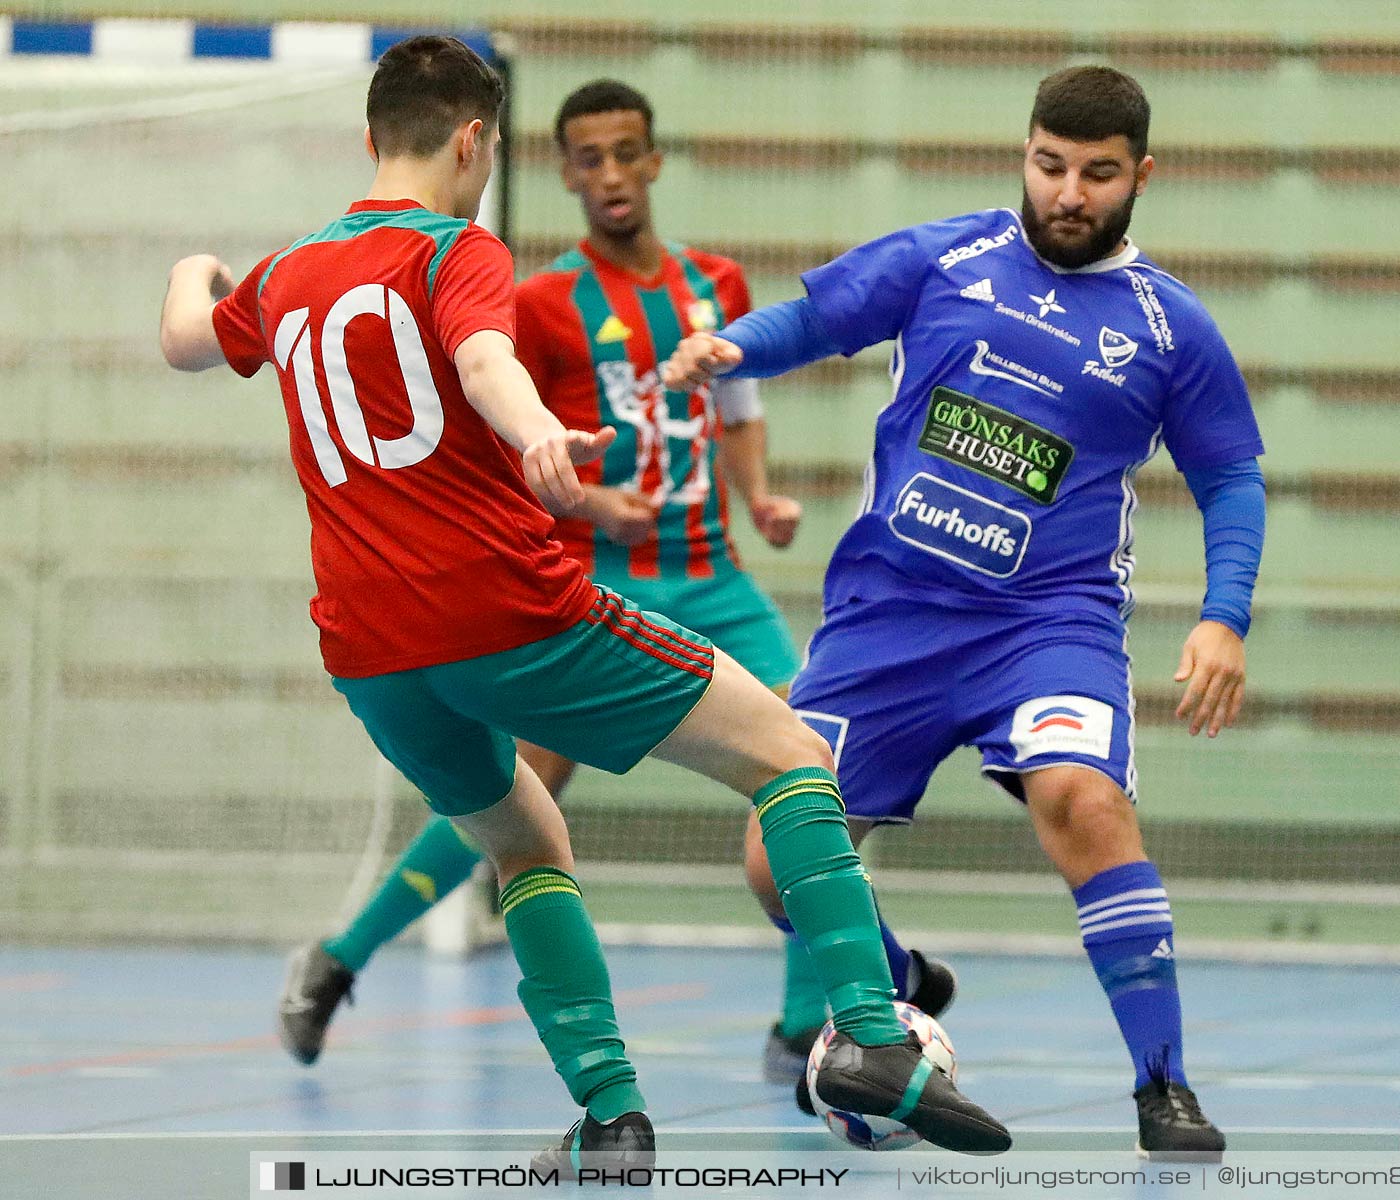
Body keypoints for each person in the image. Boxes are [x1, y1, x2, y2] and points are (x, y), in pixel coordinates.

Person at [157, 35, 1009, 1162]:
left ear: (370, 139)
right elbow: (480, 364)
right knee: (795, 759)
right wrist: (540, 439)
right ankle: (864, 1035)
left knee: (525, 839)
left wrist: (197, 270)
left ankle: (610, 1117)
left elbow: (182, 343)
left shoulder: (284, 277)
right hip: (506, 614)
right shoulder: (457, 251)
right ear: (475, 144)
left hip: (369, 653)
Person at [663, 64, 1265, 1161]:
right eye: (1048, 166)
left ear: (1139, 177)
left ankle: (1162, 1087)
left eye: (1095, 174)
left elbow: (1230, 478)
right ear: (1023, 156)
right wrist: (733, 347)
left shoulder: (1167, 326)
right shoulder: (946, 256)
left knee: (1082, 803)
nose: (1067, 193)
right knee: (770, 854)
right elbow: (817, 317)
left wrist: (1223, 614)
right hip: (888, 614)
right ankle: (899, 986)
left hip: (1047, 622)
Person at [274, 77, 824, 1079]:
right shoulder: (532, 298)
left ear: (653, 160)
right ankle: (341, 959)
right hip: (589, 584)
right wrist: (577, 503)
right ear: (563, 172)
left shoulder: (718, 284)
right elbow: (470, 413)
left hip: (714, 577)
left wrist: (760, 496)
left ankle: (800, 1029)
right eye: (587, 158)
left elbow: (736, 408)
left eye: (626, 153)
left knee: (803, 762)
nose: (609, 174)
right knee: (511, 808)